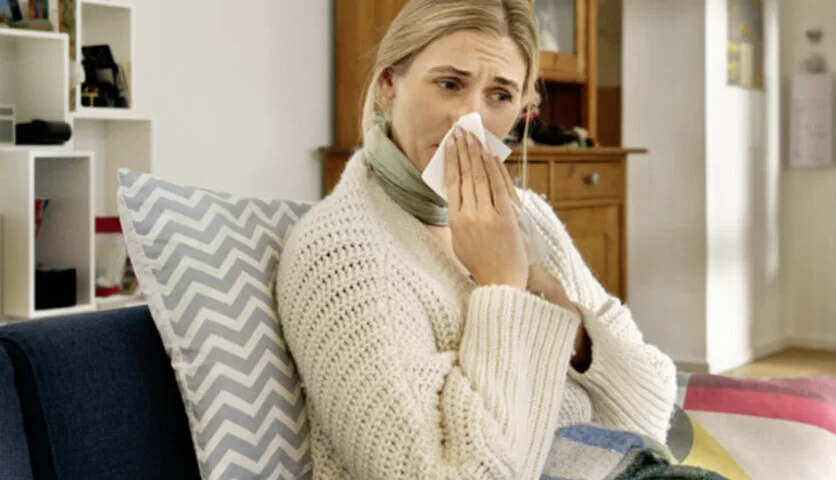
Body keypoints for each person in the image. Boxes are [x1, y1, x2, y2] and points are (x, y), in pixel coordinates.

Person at [276, 1, 694, 478]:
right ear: (390, 83)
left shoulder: (529, 215)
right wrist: (503, 289)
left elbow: (652, 410)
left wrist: (574, 327)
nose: (468, 119)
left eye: (499, 95)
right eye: (449, 84)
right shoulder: (343, 254)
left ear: (521, 110)